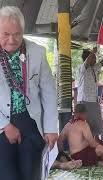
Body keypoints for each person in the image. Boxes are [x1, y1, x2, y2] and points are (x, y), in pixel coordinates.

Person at [0, 6, 58, 180]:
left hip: (30, 121)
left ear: (23, 31)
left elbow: (48, 91)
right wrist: (5, 125)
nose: (11, 40)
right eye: (5, 34)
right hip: (3, 122)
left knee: (31, 174)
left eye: (17, 34)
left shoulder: (37, 52)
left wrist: (50, 128)